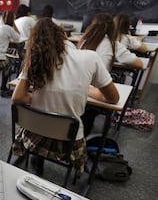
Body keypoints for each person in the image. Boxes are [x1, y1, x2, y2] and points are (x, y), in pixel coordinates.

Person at [11, 18, 119, 175]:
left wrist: (38, 98)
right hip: (68, 143)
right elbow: (113, 98)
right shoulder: (90, 57)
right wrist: (84, 90)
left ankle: (37, 159)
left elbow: (18, 97)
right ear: (64, 35)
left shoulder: (35, 59)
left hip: (32, 136)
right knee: (87, 114)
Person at [77, 13, 143, 71]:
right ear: (112, 28)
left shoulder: (84, 42)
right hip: (97, 83)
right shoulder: (113, 45)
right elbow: (139, 64)